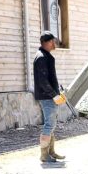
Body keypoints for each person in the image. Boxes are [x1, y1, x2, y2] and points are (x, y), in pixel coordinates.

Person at [33, 32, 67, 164]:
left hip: (49, 95)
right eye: (53, 41)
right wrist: (54, 95)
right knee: (49, 124)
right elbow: (43, 81)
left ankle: (51, 152)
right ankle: (44, 155)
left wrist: (57, 92)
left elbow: (49, 78)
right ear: (47, 43)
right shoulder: (41, 57)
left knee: (51, 124)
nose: (55, 43)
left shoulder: (45, 56)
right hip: (47, 96)